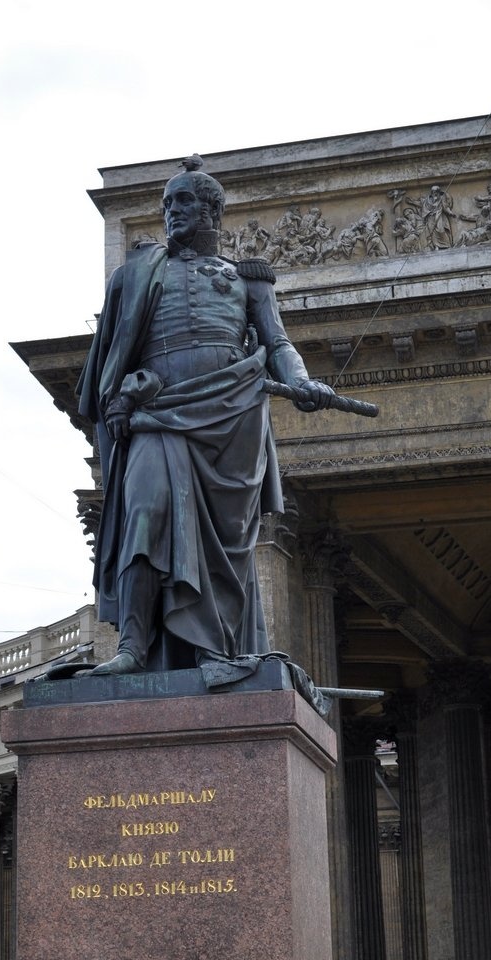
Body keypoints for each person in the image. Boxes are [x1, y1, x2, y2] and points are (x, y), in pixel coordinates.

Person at [77, 154, 336, 679]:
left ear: (213, 211)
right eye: (168, 203)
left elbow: (278, 343)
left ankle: (215, 647)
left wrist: (303, 380)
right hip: (158, 414)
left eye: (185, 201)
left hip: (229, 419)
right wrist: (124, 393)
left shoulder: (248, 281)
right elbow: (111, 355)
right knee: (143, 513)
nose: (173, 211)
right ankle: (131, 645)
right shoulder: (137, 275)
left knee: (225, 545)